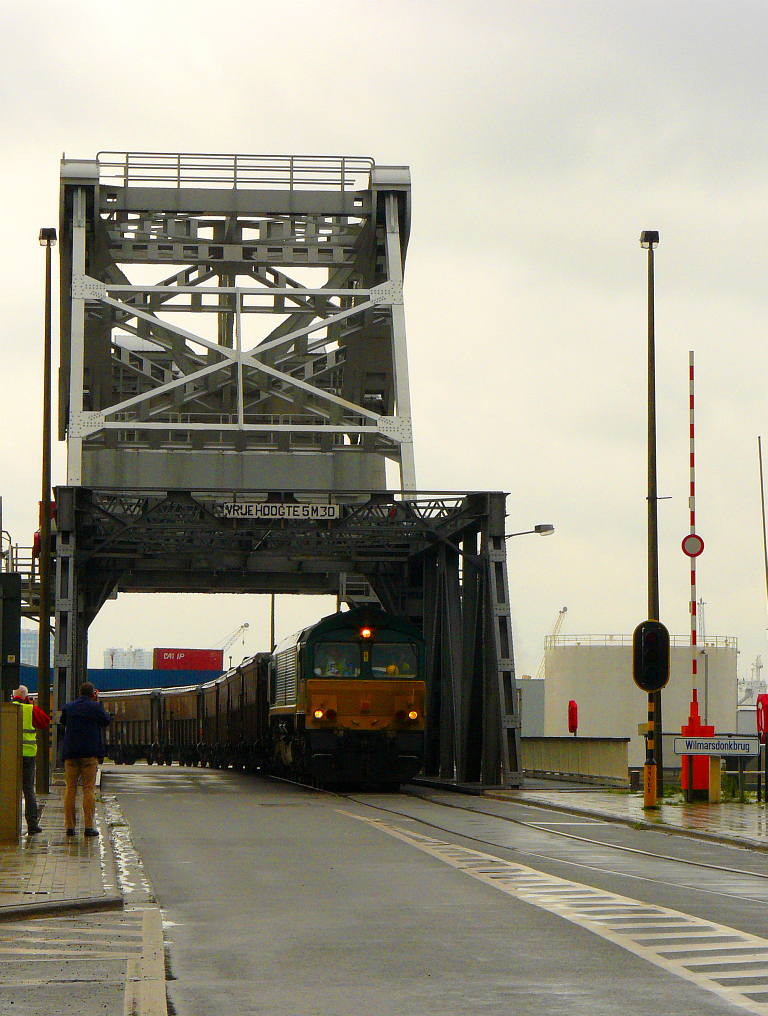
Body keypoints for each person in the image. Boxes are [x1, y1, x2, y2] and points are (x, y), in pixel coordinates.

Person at [60, 682, 110, 838]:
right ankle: (88, 827)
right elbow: (106, 721)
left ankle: (70, 827)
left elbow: (63, 721)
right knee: (88, 789)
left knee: (70, 789)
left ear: (79, 693)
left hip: (71, 754)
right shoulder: (95, 708)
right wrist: (97, 702)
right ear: (92, 694)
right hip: (89, 755)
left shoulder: (69, 707)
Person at [11, 685, 51, 836]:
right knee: (28, 789)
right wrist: (31, 705)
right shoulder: (30, 709)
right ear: (26, 698)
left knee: (8, 788)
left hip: (11, 756)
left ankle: (8, 823)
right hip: (27, 756)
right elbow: (45, 722)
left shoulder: (7, 708)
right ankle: (32, 825)